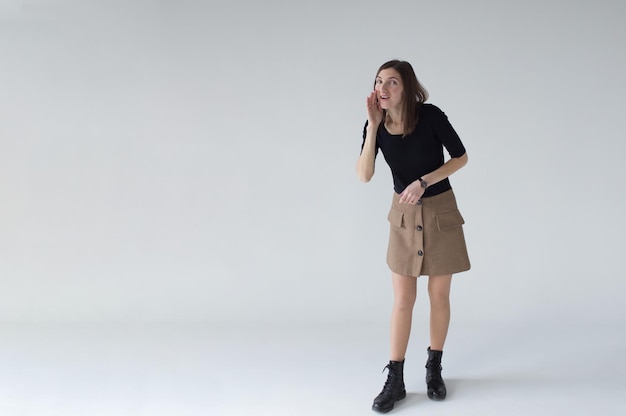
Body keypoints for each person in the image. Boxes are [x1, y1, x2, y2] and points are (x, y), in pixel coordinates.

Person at [356, 60, 470, 413]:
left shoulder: (431, 116)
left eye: (392, 82)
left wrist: (424, 181)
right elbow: (363, 175)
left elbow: (461, 158)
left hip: (439, 210)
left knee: (439, 295)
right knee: (403, 299)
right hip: (403, 217)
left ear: (406, 87)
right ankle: (396, 379)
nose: (383, 88)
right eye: (378, 81)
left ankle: (434, 368)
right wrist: (373, 128)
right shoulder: (375, 123)